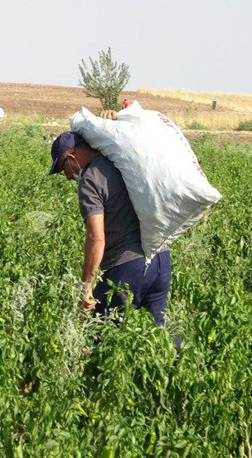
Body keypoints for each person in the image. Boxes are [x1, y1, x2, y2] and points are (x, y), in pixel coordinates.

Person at [49, 111, 177, 348]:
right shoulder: (123, 161)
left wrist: (85, 286)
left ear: (71, 157)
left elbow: (96, 237)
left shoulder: (90, 180)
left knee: (101, 338)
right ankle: (182, 372)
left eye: (62, 169)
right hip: (160, 260)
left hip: (128, 268)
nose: (67, 177)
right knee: (158, 338)